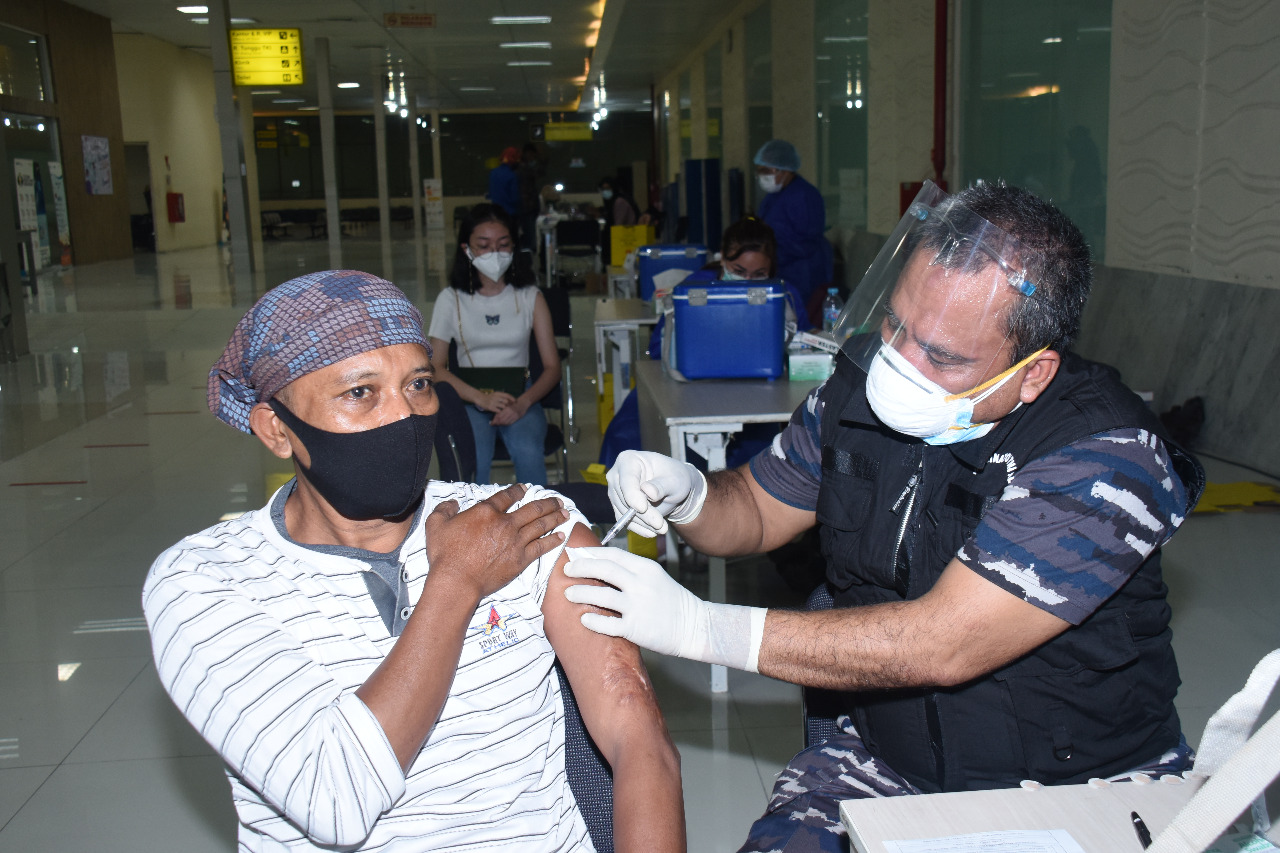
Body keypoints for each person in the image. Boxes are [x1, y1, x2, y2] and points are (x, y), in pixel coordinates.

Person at [563, 182, 1205, 852]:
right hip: (884, 759)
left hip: (1081, 784)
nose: (901, 361)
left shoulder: (1105, 454)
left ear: (1034, 372)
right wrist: (693, 494)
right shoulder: (856, 392)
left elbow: (943, 641)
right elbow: (756, 506)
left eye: (945, 356)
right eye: (897, 324)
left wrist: (702, 627)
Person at [144, 269, 685, 852]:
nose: (401, 416)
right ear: (277, 429)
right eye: (360, 393)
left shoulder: (524, 520)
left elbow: (642, 743)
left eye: (419, 384)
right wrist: (456, 582)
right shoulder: (207, 581)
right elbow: (334, 800)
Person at [429, 203, 559, 486]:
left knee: (527, 450)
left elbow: (551, 368)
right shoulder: (450, 299)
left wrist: (524, 403)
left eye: (502, 245)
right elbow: (435, 367)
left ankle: (538, 523)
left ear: (513, 247)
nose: (494, 254)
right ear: (467, 248)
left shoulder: (529, 297)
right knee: (473, 458)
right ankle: (478, 527)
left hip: (520, 395)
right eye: (484, 245)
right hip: (469, 397)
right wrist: (480, 398)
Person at [753, 139, 834, 318]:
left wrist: (771, 255)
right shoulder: (772, 197)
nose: (761, 176)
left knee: (799, 317)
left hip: (802, 274)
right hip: (780, 270)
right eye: (759, 171)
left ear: (785, 170)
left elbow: (805, 242)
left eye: (766, 171)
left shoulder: (804, 196)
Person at [517, 142, 544, 252]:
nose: (532, 158)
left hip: (530, 205)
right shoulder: (522, 168)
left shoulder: (526, 168)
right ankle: (528, 256)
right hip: (525, 206)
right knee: (529, 235)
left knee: (530, 233)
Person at [487, 146, 521, 221]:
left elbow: (491, 193)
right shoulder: (512, 175)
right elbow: (514, 198)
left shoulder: (493, 173)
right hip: (510, 213)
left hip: (496, 213)